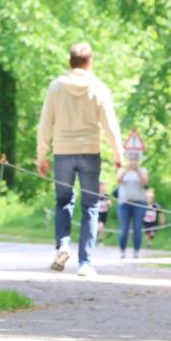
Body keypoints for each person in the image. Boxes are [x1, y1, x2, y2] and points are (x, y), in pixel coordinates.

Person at [37, 42, 124, 276]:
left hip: (63, 152)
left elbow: (45, 122)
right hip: (89, 152)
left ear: (70, 61)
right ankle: (85, 262)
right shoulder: (98, 87)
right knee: (90, 205)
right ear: (90, 62)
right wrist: (118, 155)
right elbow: (110, 124)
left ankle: (63, 245)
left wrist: (41, 155)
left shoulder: (56, 87)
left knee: (63, 201)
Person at [116, 152, 149, 258]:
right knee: (124, 229)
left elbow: (145, 183)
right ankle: (122, 250)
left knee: (137, 228)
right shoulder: (122, 170)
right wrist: (127, 170)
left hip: (139, 203)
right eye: (131, 160)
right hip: (124, 204)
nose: (133, 162)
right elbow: (118, 181)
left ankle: (136, 250)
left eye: (135, 160)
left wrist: (137, 170)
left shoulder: (143, 171)